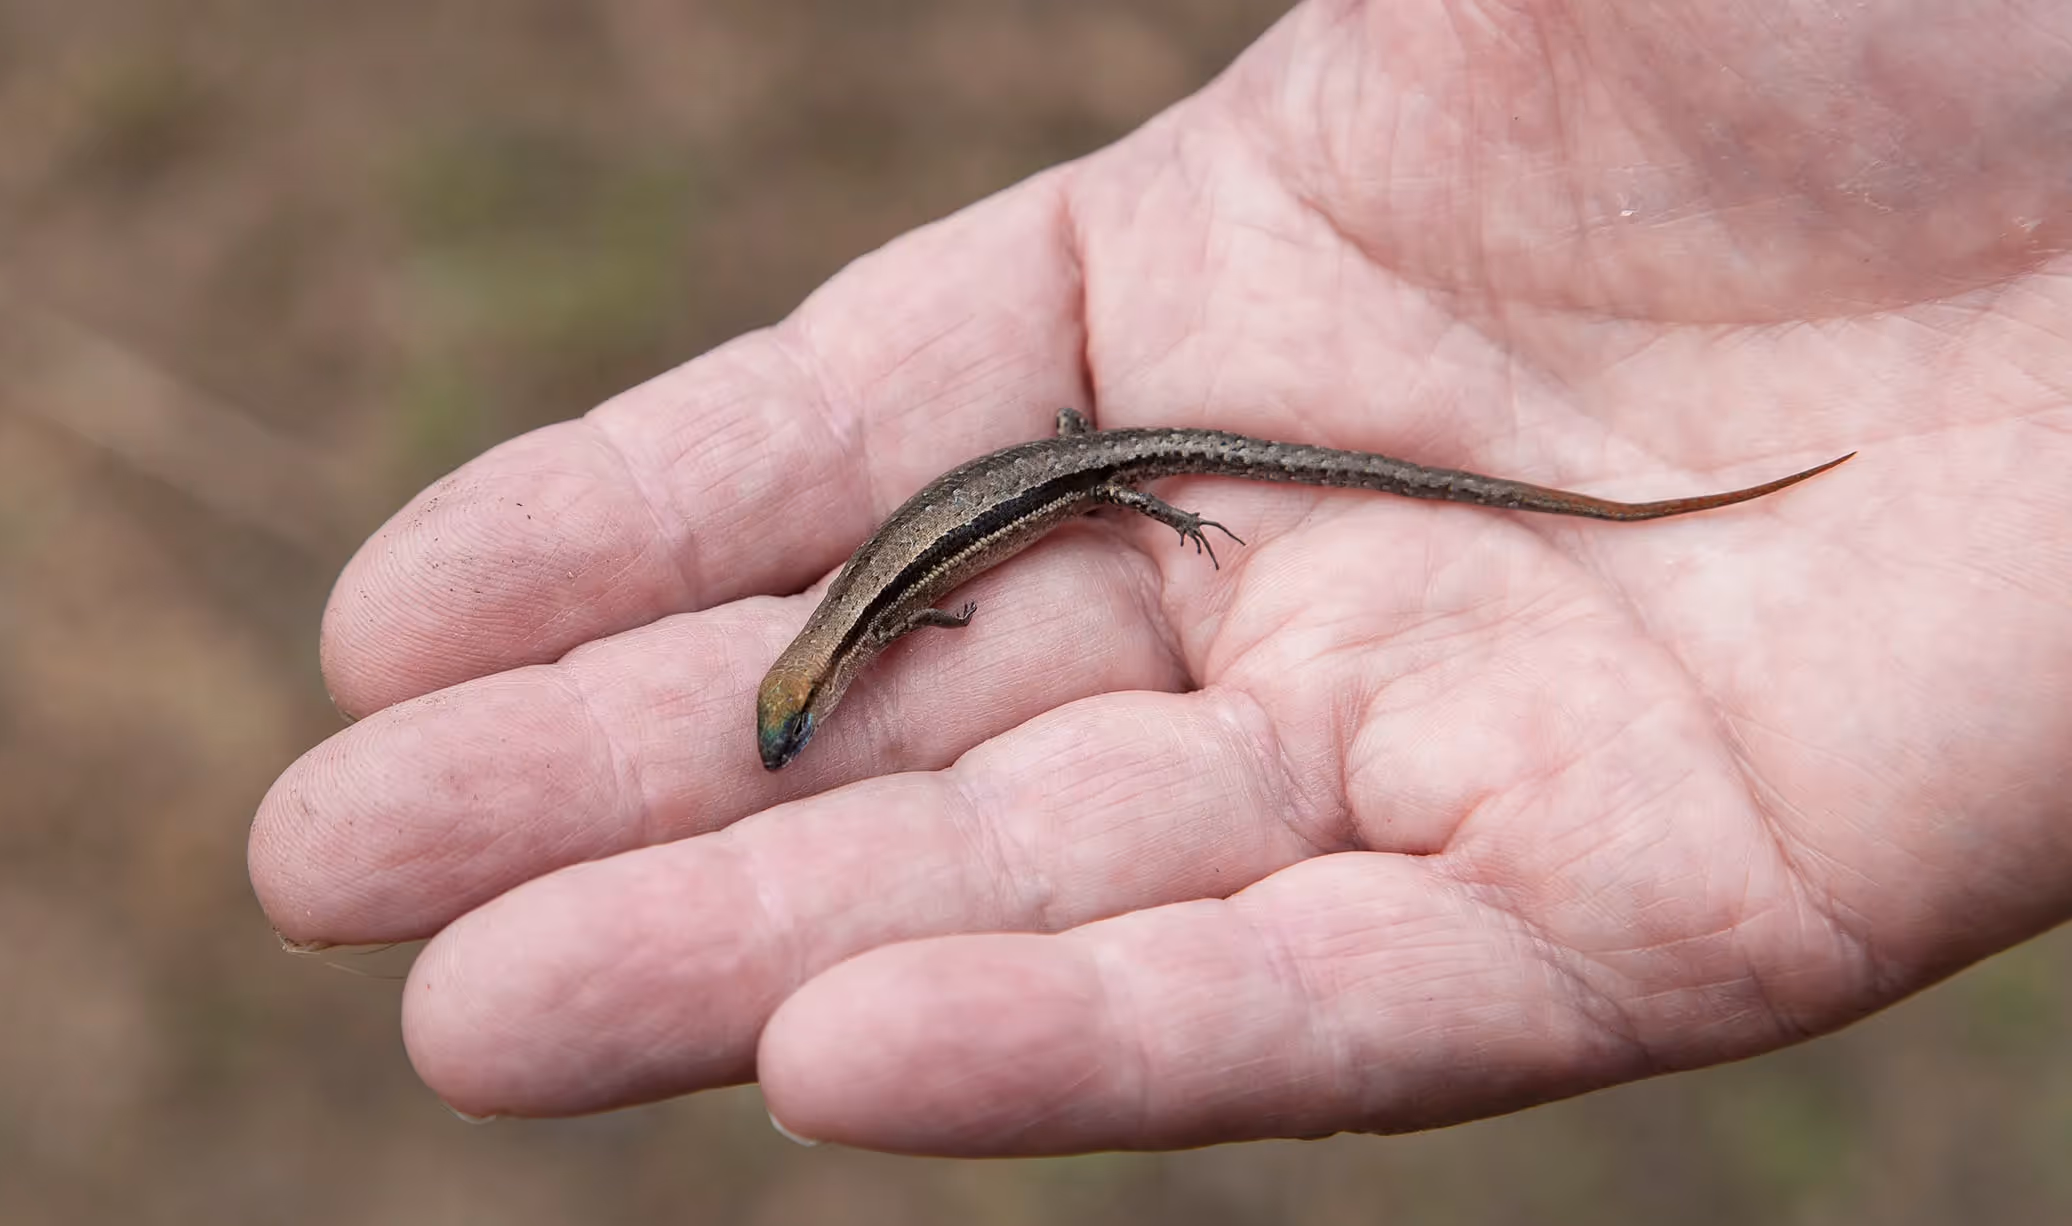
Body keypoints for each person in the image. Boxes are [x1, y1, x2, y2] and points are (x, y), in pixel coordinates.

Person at [248, 0, 2072, 1153]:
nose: (797, 730)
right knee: (1135, 502)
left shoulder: (876, 619)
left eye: (789, 726)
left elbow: (941, 581)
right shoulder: (866, 622)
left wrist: (1146, 508)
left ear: (815, 679)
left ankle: (1191, 503)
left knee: (1212, 488)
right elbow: (931, 585)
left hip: (1090, 468)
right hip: (1064, 464)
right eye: (792, 727)